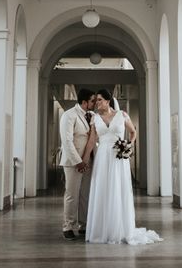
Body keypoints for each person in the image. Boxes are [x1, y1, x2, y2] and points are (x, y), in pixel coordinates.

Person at [81, 89, 162, 245]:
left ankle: (120, 229)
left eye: (99, 100)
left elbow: (133, 132)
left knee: (118, 190)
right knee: (103, 190)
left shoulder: (122, 115)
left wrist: (129, 146)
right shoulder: (95, 119)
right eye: (95, 100)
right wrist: (84, 160)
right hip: (103, 158)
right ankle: (102, 230)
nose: (96, 103)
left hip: (119, 158)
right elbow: (92, 141)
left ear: (107, 101)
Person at [59, 88, 96, 240]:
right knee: (71, 195)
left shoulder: (93, 116)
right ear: (84, 101)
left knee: (85, 195)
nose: (94, 103)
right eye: (92, 101)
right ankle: (68, 226)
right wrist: (78, 161)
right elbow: (67, 142)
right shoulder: (69, 115)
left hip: (89, 161)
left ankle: (83, 224)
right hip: (73, 162)